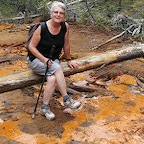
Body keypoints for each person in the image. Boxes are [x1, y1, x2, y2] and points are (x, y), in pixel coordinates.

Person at [27, 1, 81, 120]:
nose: (58, 15)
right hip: (36, 59)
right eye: (56, 12)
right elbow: (31, 47)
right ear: (51, 14)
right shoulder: (42, 27)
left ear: (64, 15)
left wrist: (68, 59)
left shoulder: (65, 26)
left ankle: (44, 107)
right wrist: (44, 59)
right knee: (57, 68)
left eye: (61, 13)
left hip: (52, 60)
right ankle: (67, 99)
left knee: (51, 79)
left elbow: (66, 44)